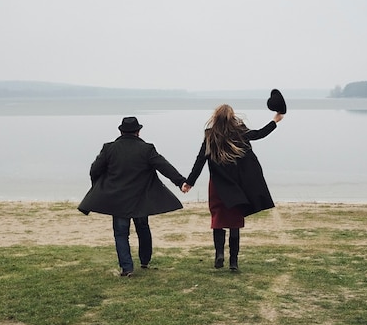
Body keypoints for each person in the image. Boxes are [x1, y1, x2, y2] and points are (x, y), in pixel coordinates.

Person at [78, 116, 187, 277]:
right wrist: (181, 182)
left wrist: (99, 186)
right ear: (138, 131)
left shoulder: (109, 149)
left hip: (118, 199)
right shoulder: (147, 149)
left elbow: (94, 170)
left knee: (121, 233)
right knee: (143, 228)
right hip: (141, 199)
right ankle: (145, 260)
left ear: (121, 131)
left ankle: (127, 268)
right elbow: (164, 166)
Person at [182, 105, 283, 271]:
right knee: (235, 222)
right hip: (237, 187)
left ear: (216, 118)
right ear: (231, 117)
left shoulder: (210, 136)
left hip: (217, 186)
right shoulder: (239, 133)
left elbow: (200, 160)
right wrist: (275, 121)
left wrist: (189, 182)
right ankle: (233, 262)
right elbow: (258, 134)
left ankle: (219, 254)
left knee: (218, 220)